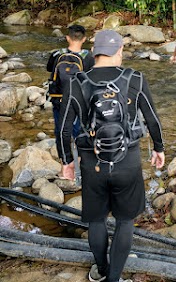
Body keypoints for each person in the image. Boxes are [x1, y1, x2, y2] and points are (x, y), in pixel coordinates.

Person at [58, 29, 165, 282]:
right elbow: (152, 119)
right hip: (126, 162)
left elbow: (64, 127)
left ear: (94, 53)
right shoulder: (135, 78)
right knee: (125, 221)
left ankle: (102, 270)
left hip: (92, 163)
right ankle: (114, 278)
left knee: (95, 220)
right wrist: (159, 148)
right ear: (119, 51)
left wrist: (67, 162)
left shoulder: (76, 81)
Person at [47, 24, 94, 164]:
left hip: (59, 98)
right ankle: (82, 158)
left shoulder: (57, 54)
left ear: (67, 38)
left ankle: (65, 160)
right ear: (84, 39)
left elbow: (49, 68)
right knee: (80, 128)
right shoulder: (88, 57)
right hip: (79, 99)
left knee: (60, 128)